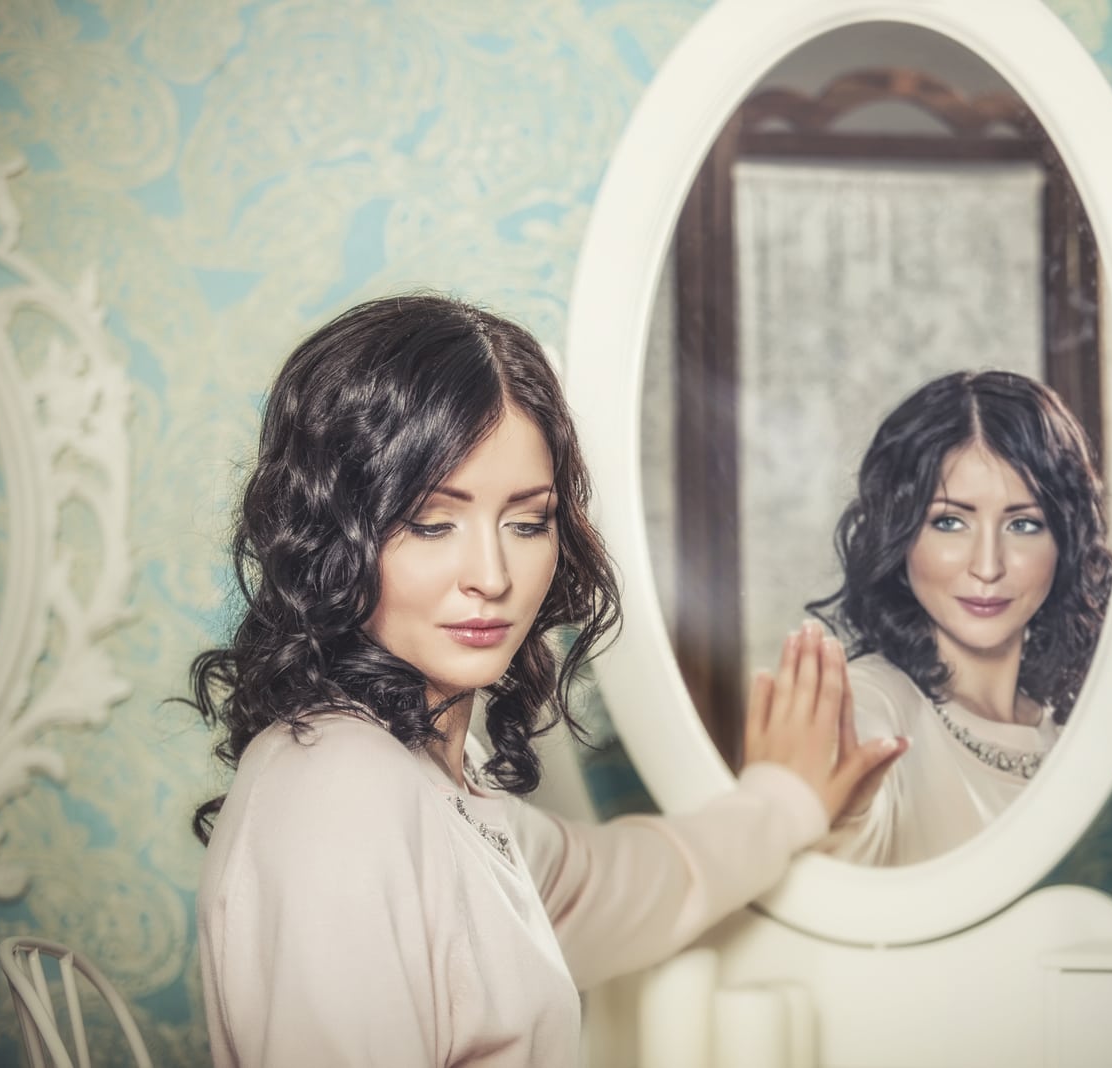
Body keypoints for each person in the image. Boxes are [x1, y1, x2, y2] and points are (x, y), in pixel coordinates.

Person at [187, 293, 904, 1067]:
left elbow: (632, 883)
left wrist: (787, 800)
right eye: (433, 522)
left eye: (527, 522)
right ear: (332, 532)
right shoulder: (340, 789)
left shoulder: (430, 785)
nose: (491, 575)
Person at [810, 370, 1112, 867]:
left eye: (1023, 524)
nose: (988, 565)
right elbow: (845, 817)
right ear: (901, 536)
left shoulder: (1073, 740)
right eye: (950, 521)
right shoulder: (873, 700)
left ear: (1065, 543)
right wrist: (831, 807)